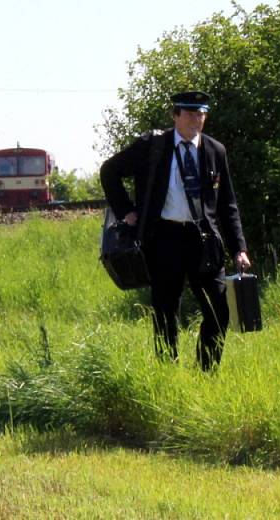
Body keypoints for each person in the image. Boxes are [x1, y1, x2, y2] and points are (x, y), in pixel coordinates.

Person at [100, 90, 251, 371]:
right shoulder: (153, 145)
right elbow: (109, 172)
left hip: (204, 241)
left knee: (219, 309)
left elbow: (227, 204)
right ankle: (168, 372)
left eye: (202, 114)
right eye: (191, 113)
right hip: (164, 240)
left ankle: (206, 373)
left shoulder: (215, 150)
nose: (197, 119)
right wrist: (126, 212)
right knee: (166, 312)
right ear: (176, 115)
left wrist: (238, 248)